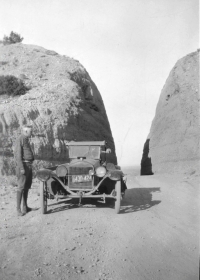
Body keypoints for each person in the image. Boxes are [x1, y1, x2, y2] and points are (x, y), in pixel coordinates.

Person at [14, 125, 35, 216]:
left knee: (26, 186)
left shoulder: (26, 139)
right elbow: (18, 155)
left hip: (28, 165)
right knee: (21, 187)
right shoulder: (20, 139)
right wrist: (22, 168)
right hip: (23, 166)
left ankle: (25, 207)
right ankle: (18, 209)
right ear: (26, 131)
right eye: (31, 132)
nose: (32, 133)